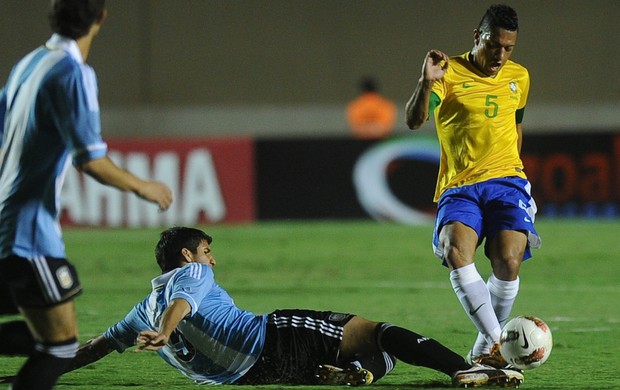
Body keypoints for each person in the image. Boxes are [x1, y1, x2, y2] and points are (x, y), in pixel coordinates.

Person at [0, 226, 524, 388]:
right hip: (270, 337)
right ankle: (468, 369)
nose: (212, 258)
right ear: (188, 254)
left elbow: (92, 348)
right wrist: (166, 330)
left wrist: (41, 370)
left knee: (373, 364)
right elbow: (183, 301)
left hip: (252, 375)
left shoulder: (137, 311)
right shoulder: (190, 275)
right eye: (207, 249)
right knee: (378, 332)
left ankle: (340, 372)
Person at [0, 0, 173, 388]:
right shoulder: (74, 73)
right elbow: (90, 159)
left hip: (5, 221)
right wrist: (145, 187)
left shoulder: (28, 63)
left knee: (43, 326)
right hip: (28, 234)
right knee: (59, 346)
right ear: (101, 18)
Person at [404, 4, 541, 369]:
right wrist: (426, 82)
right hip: (460, 185)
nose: (500, 55)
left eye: (508, 48)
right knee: (454, 250)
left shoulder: (520, 77)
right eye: (493, 44)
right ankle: (498, 344)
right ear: (476, 38)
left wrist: (515, 167)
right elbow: (414, 120)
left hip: (506, 182)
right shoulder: (447, 74)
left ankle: (484, 349)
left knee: (509, 260)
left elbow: (516, 122)